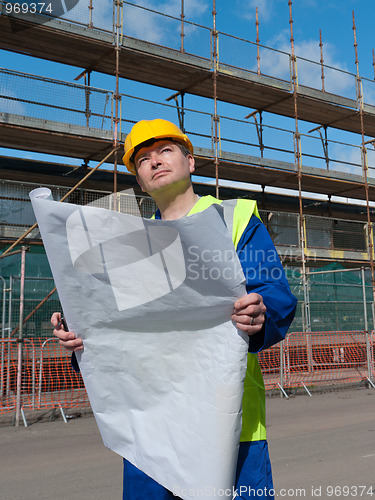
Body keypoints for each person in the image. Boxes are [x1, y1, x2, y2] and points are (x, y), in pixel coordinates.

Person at [52, 118, 297, 499]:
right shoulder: (131, 245)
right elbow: (117, 324)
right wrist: (78, 330)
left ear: (190, 161)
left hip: (230, 420)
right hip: (152, 424)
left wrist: (260, 311)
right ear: (139, 180)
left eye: (165, 150)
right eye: (143, 159)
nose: (155, 161)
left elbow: (275, 293)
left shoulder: (235, 219)